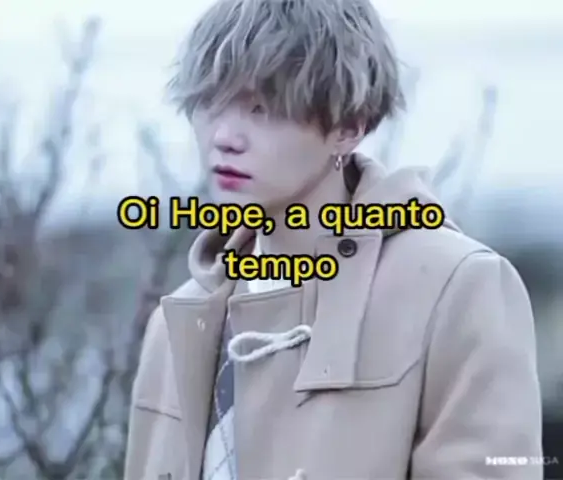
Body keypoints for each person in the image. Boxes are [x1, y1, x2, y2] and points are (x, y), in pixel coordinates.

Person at [124, 0, 543, 479]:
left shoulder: (456, 288)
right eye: (209, 102)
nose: (224, 136)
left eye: (262, 108)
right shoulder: (179, 321)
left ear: (349, 126)